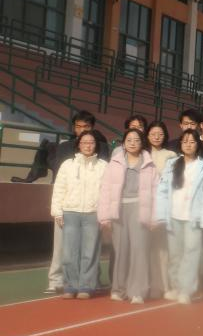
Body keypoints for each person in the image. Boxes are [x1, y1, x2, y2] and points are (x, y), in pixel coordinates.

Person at [43, 111, 108, 295]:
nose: (87, 144)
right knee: (66, 251)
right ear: (78, 144)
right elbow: (59, 187)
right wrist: (57, 211)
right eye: (78, 127)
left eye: (90, 141)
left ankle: (88, 284)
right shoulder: (66, 158)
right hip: (69, 210)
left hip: (92, 212)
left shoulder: (103, 162)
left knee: (90, 251)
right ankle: (62, 282)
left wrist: (104, 213)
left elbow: (107, 190)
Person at [98, 129, 157, 304]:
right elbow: (105, 189)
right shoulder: (114, 163)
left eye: (136, 140)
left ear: (142, 143)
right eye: (129, 140)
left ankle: (138, 291)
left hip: (140, 209)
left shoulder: (149, 164)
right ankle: (119, 289)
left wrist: (154, 217)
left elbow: (156, 192)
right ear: (123, 143)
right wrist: (104, 216)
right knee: (120, 251)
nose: (132, 143)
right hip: (119, 210)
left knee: (139, 251)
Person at [154, 129, 203, 304]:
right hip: (173, 216)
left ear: (197, 145)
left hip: (193, 218)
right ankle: (176, 287)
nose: (188, 145)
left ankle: (187, 290)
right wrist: (160, 215)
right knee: (175, 254)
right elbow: (162, 191)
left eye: (192, 141)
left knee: (191, 253)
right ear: (180, 144)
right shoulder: (172, 164)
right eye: (185, 141)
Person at [145, 122, 175, 300]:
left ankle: (165, 285)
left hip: (163, 208)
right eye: (153, 133)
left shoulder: (171, 155)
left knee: (162, 250)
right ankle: (147, 284)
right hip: (143, 208)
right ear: (147, 135)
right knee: (144, 249)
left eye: (160, 134)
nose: (156, 137)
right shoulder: (142, 154)